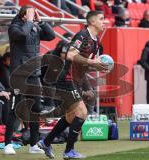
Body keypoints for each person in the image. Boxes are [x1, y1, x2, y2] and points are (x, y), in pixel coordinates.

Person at [38, 10, 108, 159]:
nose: (104, 21)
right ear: (92, 21)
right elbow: (70, 55)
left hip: (76, 81)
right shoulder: (82, 36)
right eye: (101, 19)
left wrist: (98, 66)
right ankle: (69, 151)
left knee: (71, 116)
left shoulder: (96, 42)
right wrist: (91, 62)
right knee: (82, 113)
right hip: (66, 79)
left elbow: (83, 65)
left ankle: (46, 142)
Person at [4, 5, 55, 155]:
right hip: (19, 75)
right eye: (30, 14)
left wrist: (41, 22)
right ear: (23, 16)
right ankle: (7, 144)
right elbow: (22, 35)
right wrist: (30, 21)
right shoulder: (14, 27)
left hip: (33, 74)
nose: (33, 16)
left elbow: (51, 36)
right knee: (14, 110)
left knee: (36, 110)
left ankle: (33, 144)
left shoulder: (34, 27)